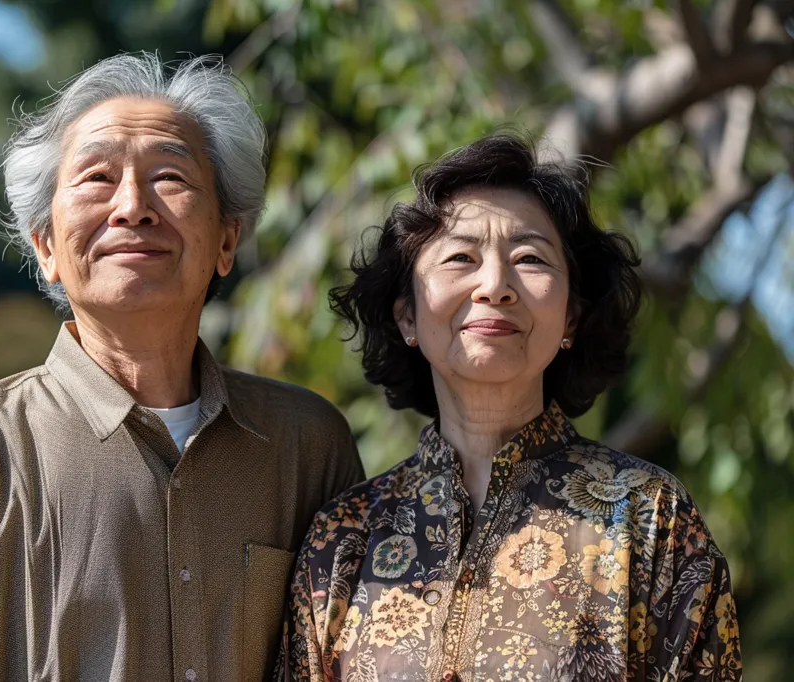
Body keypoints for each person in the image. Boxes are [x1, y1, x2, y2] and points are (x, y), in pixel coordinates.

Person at [0, 53, 364, 682]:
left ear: (227, 240)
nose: (132, 208)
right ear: (45, 247)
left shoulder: (307, 445)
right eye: (96, 177)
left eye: (170, 177)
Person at [276, 133, 741, 681]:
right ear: (407, 316)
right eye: (459, 257)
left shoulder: (649, 518)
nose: (494, 285)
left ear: (569, 318)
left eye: (529, 258)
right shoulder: (343, 537)